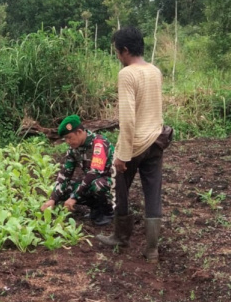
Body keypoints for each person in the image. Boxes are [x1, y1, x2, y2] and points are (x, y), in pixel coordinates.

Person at [97, 26, 171, 263]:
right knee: (152, 193)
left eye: (117, 52)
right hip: (157, 140)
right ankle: (152, 250)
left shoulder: (127, 74)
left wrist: (123, 156)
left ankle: (121, 236)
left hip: (135, 144)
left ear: (125, 51)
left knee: (119, 187)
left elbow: (128, 119)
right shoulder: (155, 71)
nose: (118, 57)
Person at [40, 115, 115, 226]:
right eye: (65, 139)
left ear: (79, 132)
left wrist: (74, 197)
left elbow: (94, 173)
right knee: (65, 188)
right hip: (92, 182)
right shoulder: (73, 150)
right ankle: (95, 208)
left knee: (98, 184)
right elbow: (65, 174)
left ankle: (107, 212)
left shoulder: (99, 143)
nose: (67, 141)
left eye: (69, 137)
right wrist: (53, 199)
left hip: (113, 185)